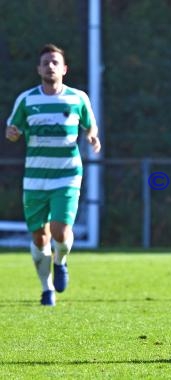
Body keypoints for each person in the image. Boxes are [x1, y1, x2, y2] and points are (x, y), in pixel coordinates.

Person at [5, 43, 101, 306]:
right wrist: (12, 133)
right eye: (45, 62)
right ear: (38, 68)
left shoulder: (77, 98)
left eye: (55, 62)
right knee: (40, 236)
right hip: (35, 178)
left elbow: (90, 125)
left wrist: (92, 136)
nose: (50, 66)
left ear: (64, 69)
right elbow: (12, 128)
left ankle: (61, 261)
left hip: (67, 175)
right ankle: (46, 288)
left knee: (60, 230)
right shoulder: (27, 100)